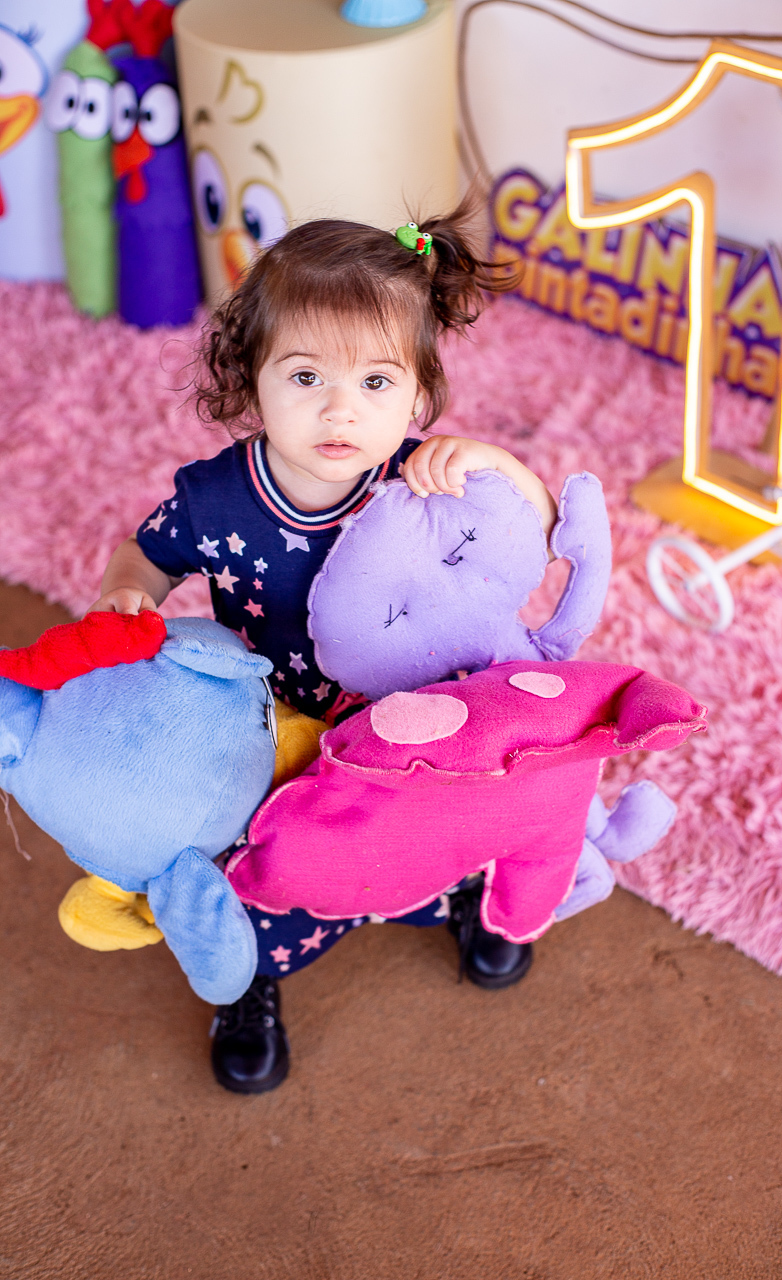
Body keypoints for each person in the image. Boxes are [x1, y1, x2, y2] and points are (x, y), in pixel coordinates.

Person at [87, 201, 558, 1093]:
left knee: (446, 818)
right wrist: (126, 599)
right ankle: (248, 978)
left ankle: (466, 896)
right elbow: (145, 554)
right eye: (305, 378)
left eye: (376, 384)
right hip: (274, 727)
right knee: (256, 854)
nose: (341, 410)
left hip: (407, 715)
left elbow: (531, 536)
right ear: (248, 380)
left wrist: (497, 467)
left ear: (419, 395)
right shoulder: (217, 496)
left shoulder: (425, 481)